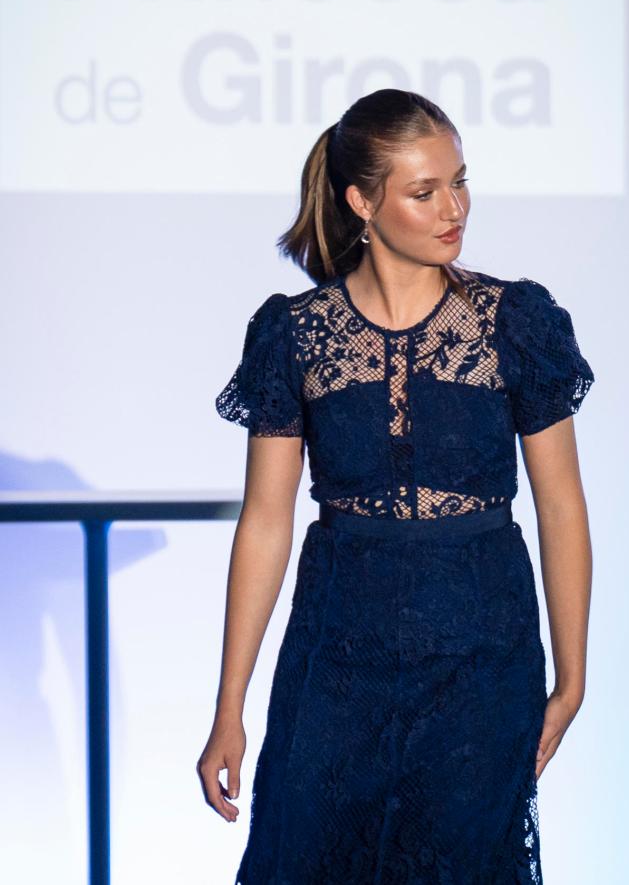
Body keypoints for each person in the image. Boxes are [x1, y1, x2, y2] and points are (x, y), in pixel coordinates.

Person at [197, 88, 595, 883]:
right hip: (336, 657)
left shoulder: (513, 323)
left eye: (459, 181)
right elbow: (266, 522)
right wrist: (228, 707)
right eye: (424, 191)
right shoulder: (295, 333)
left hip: (480, 656)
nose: (454, 208)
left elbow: (560, 506)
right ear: (361, 202)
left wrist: (572, 677)